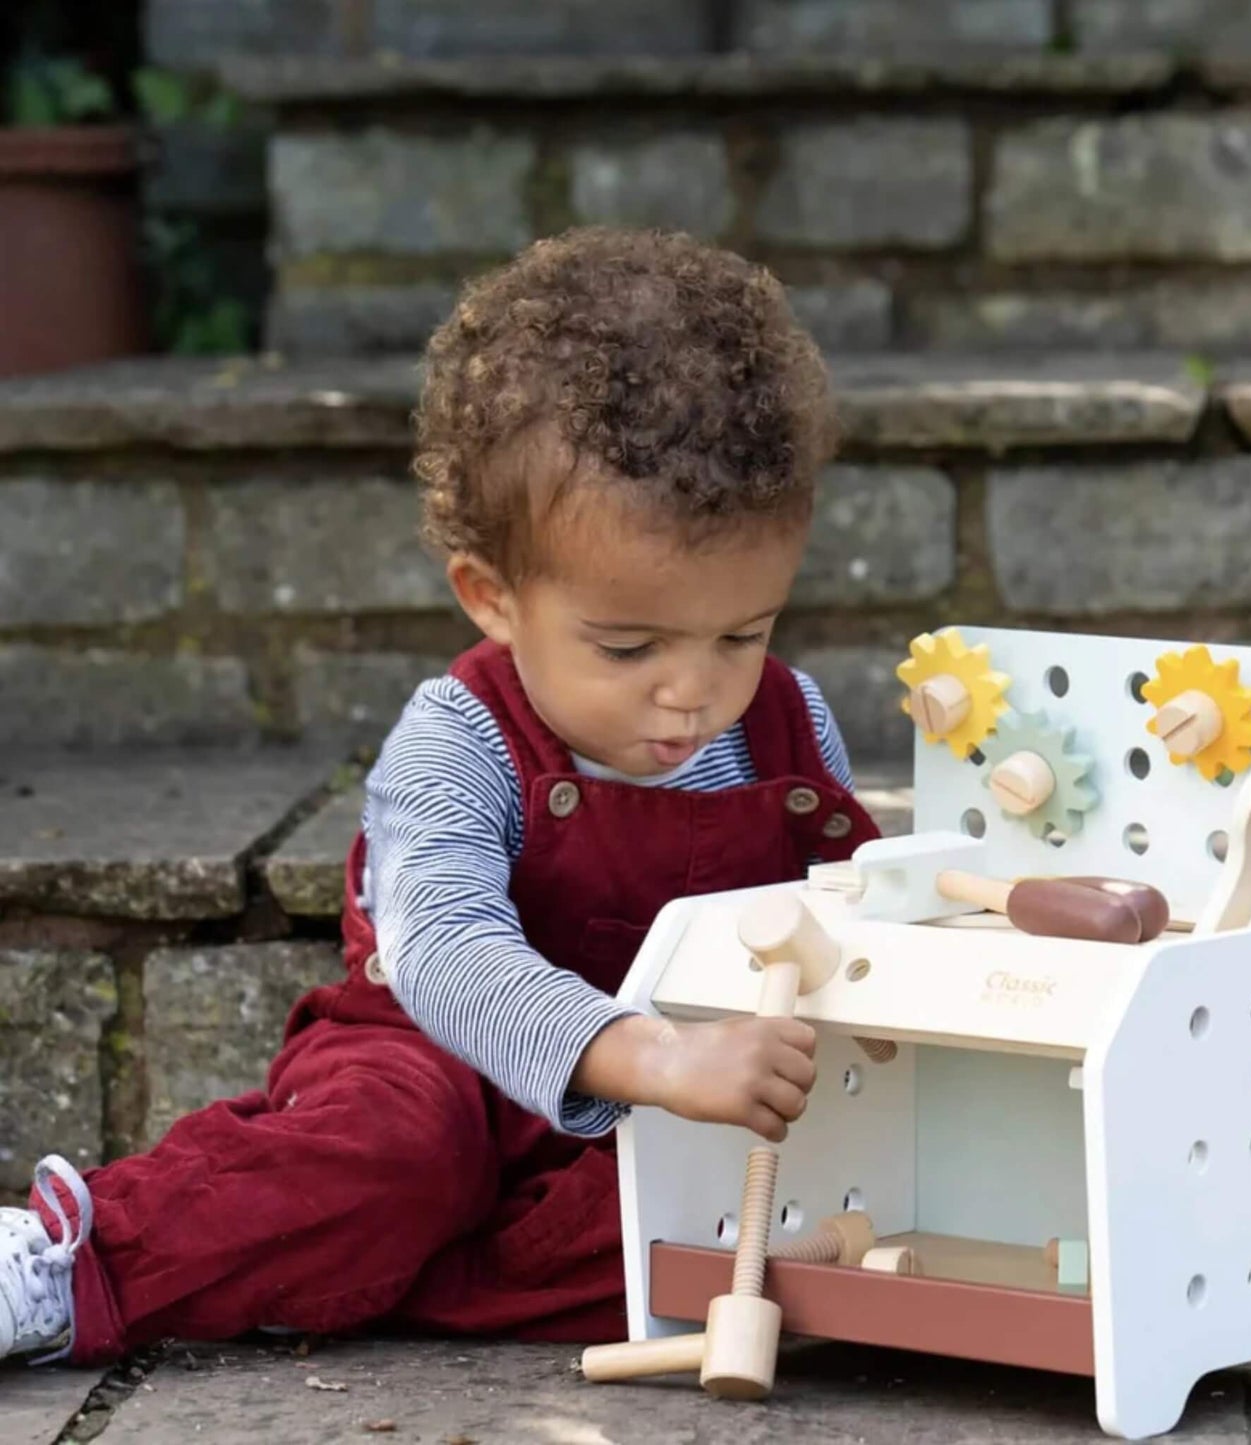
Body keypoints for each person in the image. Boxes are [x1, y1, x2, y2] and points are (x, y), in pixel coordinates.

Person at [0, 227, 880, 1367]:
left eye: (743, 633)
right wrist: (649, 1055)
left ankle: (360, 1271)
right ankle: (83, 1262)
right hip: (437, 1064)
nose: (692, 690)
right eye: (625, 646)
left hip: (653, 1111)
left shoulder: (786, 726)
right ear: (492, 596)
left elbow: (846, 918)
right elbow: (448, 954)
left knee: (712, 1227)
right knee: (388, 1156)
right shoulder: (460, 740)